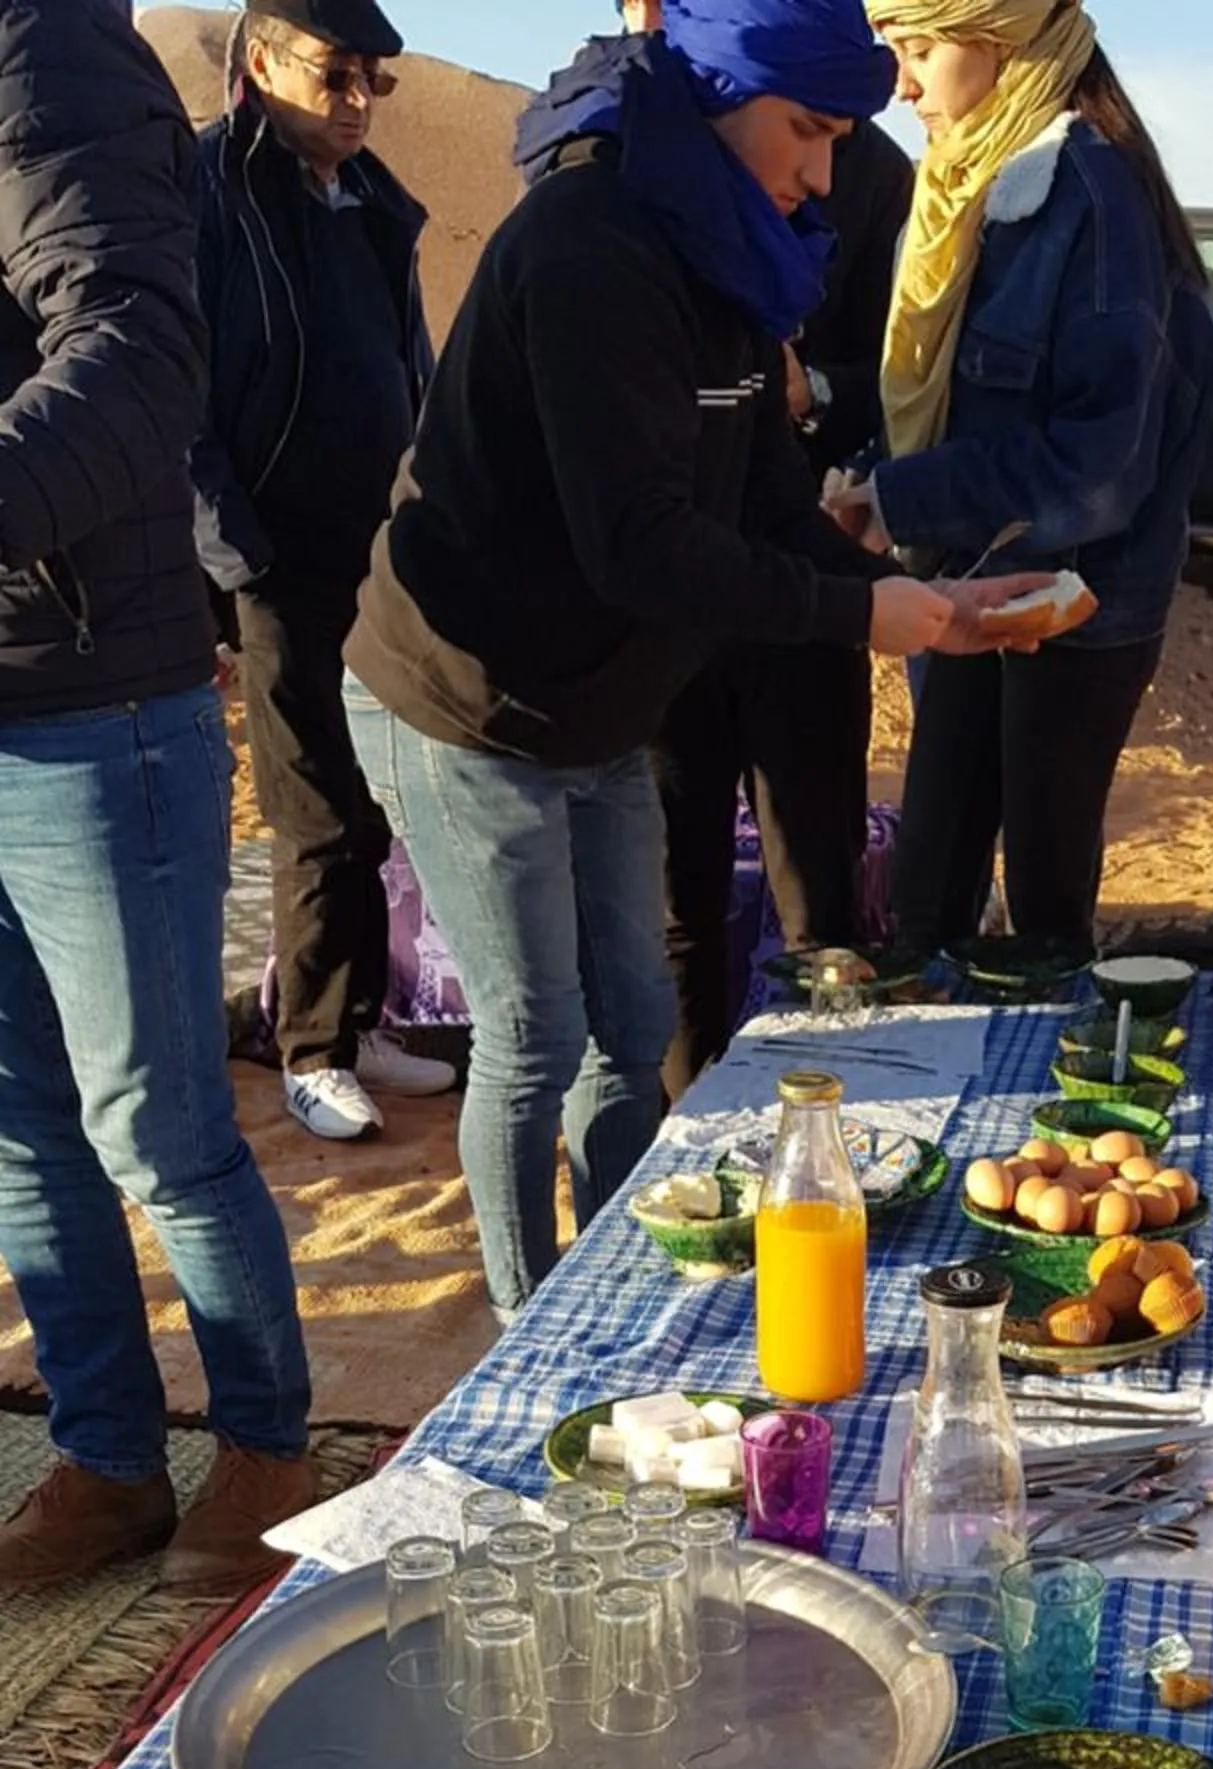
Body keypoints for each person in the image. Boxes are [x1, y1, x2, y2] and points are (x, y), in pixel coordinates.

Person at [344, 0, 1037, 1319]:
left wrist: (914, 600)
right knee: (538, 1032)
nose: (823, 174)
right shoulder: (594, 243)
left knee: (629, 1013)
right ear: (719, 93)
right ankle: (525, 1316)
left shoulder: (730, 251)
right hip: (468, 692)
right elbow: (643, 544)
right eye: (809, 131)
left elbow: (767, 500)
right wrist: (856, 621)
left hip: (606, 696)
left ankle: (615, 1283)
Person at [0, 0, 315, 1597]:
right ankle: (110, 1460)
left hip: (89, 704)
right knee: (16, 1132)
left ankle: (264, 1443)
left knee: (157, 1127)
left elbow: (132, 360)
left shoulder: (44, 57)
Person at [826, 0, 1213, 954]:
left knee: (1044, 910)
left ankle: (1041, 1098)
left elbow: (1101, 465)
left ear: (1000, 39)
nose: (903, 81)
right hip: (968, 586)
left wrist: (899, 500)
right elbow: (952, 400)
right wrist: (877, 483)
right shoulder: (972, 181)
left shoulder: (1088, 197)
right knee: (927, 899)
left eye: (920, 48)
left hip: (1076, 606)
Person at [191, 0, 453, 1143]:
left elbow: (413, 369)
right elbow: (174, 397)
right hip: (273, 562)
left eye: (373, 83)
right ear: (263, 61)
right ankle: (310, 1051)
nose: (357, 102)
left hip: (378, 558)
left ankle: (357, 1020)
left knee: (382, 799)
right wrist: (231, 558)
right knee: (316, 814)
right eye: (337, 75)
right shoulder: (208, 194)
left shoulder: (375, 206)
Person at [649, 114, 915, 1091]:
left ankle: (831, 1126)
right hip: (670, 601)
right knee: (677, 893)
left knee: (820, 893)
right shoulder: (634, 167)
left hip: (806, 585)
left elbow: (909, 379)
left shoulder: (879, 175)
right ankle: (687, 1125)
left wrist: (815, 394)